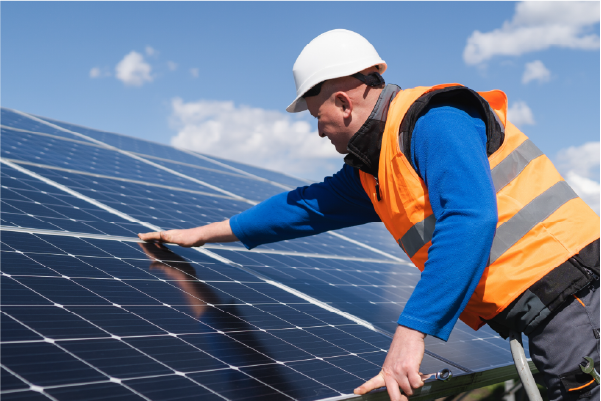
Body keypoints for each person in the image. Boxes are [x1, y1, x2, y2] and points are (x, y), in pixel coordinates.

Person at [139, 29, 600, 401]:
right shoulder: (374, 169)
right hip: (552, 315)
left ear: (343, 101)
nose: (319, 131)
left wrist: (411, 333)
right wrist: (202, 234)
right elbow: (300, 209)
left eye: (317, 115)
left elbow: (469, 217)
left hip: (578, 302)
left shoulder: (435, 120)